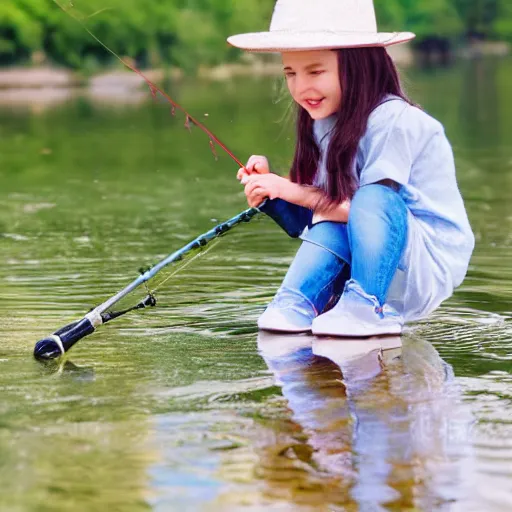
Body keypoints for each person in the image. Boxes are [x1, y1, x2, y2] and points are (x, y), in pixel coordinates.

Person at [228, 0, 475, 337]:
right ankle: (297, 302)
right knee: (331, 221)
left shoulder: (395, 121)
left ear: (358, 66)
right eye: (290, 74)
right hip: (365, 248)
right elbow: (320, 216)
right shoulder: (326, 123)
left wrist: (290, 189)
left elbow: (364, 210)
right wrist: (271, 195)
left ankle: (365, 308)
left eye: (315, 72)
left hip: (418, 264)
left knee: (370, 197)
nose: (300, 88)